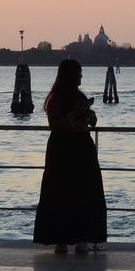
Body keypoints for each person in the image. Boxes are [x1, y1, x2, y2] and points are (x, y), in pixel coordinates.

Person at [33, 59, 107, 255]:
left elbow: (91, 122)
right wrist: (74, 115)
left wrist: (89, 114)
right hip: (62, 149)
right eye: (79, 73)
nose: (82, 76)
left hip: (81, 147)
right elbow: (55, 125)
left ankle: (83, 237)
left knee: (85, 192)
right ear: (71, 75)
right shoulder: (55, 99)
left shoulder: (80, 96)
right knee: (61, 192)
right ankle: (61, 238)